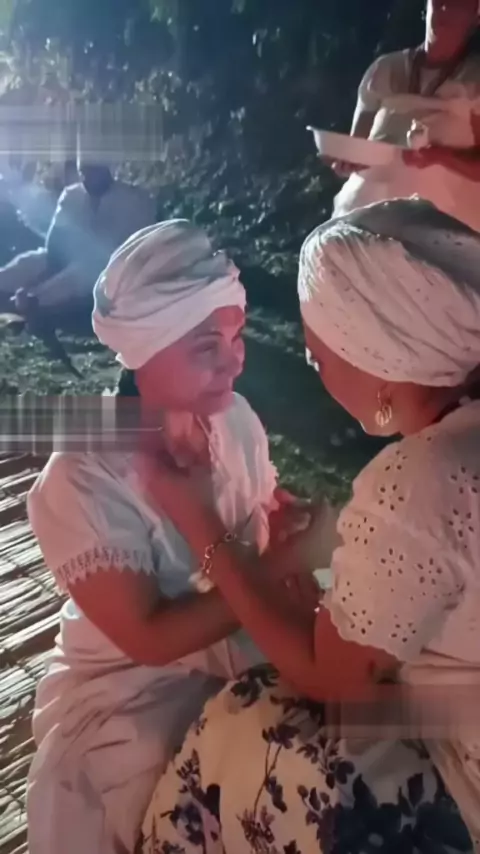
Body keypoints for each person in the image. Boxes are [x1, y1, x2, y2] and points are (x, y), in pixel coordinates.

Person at [139, 198, 480, 853]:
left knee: (253, 715)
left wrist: (204, 530)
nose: (310, 362)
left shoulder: (419, 480)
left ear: (378, 356)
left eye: (318, 349)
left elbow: (337, 680)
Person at [25, 219, 328, 854]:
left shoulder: (234, 420)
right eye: (205, 345)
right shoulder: (83, 475)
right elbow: (151, 640)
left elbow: (259, 520)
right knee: (183, 778)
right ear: (144, 350)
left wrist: (283, 529)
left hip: (242, 635)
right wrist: (280, 564)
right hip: (132, 690)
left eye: (236, 337)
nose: (234, 359)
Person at [329, 0, 480, 231]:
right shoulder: (384, 69)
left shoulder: (475, 79)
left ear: (475, 16)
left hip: (443, 230)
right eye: (439, 1)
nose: (444, 8)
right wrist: (346, 160)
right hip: (366, 220)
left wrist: (441, 156)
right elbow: (356, 148)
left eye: (457, 3)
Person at [0, 156, 155, 315]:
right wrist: (51, 263)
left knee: (82, 273)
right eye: (84, 173)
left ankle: (33, 301)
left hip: (114, 267)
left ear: (106, 170)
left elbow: (141, 247)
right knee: (30, 261)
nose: (87, 178)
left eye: (93, 172)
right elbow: (55, 241)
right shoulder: (72, 194)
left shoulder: (135, 199)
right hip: (72, 257)